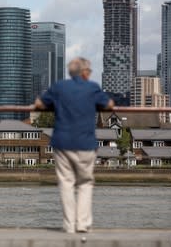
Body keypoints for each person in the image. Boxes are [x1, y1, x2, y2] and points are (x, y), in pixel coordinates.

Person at [34, 57, 114, 233]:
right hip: (85, 142)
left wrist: (53, 105)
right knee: (85, 183)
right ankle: (83, 224)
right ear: (85, 72)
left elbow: (39, 103)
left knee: (66, 182)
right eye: (90, 71)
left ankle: (69, 225)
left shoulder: (59, 87)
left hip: (62, 142)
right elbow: (109, 104)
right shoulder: (92, 87)